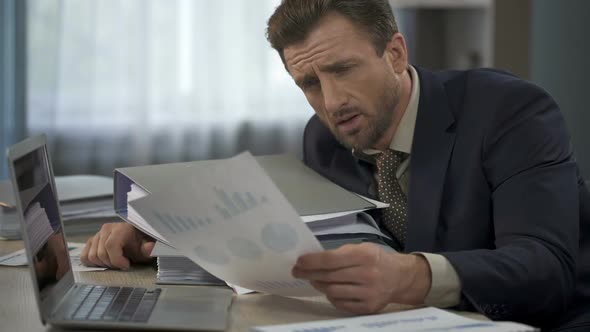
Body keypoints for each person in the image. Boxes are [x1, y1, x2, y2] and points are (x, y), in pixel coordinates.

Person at [81, 0, 590, 330]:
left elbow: (546, 268)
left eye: (343, 69)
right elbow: (297, 242)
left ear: (394, 54)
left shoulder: (509, 110)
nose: (332, 102)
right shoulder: (322, 141)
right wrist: (161, 240)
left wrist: (409, 276)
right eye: (309, 84)